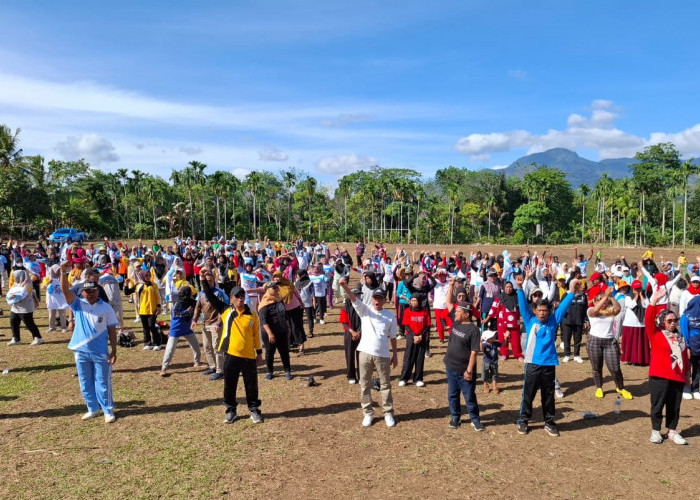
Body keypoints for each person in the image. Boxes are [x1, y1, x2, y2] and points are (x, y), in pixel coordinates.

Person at [515, 269, 575, 437]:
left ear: (549, 311)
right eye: (539, 310)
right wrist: (519, 288)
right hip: (533, 363)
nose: (542, 313)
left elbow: (562, 307)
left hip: (549, 364)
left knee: (548, 396)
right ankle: (523, 421)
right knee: (528, 394)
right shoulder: (529, 320)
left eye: (545, 310)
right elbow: (522, 306)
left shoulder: (553, 321)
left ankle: (549, 422)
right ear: (535, 310)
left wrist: (571, 292)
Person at [59, 260, 118, 423]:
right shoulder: (78, 304)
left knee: (102, 381)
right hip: (80, 350)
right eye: (87, 291)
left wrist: (114, 350)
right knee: (85, 381)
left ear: (98, 291)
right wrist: (63, 273)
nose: (90, 293)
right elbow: (65, 291)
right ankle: (93, 408)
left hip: (100, 351)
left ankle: (108, 410)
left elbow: (112, 330)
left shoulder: (106, 308)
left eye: (93, 291)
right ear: (82, 292)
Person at [201, 278, 264, 424]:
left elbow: (256, 335)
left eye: (242, 296)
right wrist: (203, 281)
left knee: (251, 385)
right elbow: (211, 297)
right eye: (237, 296)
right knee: (229, 385)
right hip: (231, 355)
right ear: (231, 299)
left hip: (248, 356)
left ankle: (254, 410)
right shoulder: (226, 311)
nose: (240, 299)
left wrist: (259, 353)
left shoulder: (252, 314)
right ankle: (231, 411)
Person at [338, 277, 398, 428]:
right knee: (364, 384)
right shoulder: (365, 310)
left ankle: (388, 413)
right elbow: (353, 299)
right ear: (371, 299)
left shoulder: (390, 316)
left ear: (385, 300)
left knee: (385, 385)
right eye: (375, 298)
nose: (377, 301)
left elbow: (392, 337)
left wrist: (395, 355)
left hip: (383, 354)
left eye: (380, 298)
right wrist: (345, 287)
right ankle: (368, 413)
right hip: (364, 353)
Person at [646, 288, 690, 444]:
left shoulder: (679, 337)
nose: (673, 323)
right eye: (669, 321)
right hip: (660, 375)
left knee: (674, 406)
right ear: (662, 321)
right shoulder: (656, 334)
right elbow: (648, 318)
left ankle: (672, 431)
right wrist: (654, 301)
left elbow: (684, 357)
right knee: (657, 404)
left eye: (674, 320)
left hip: (677, 377)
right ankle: (656, 431)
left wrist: (686, 375)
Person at [443, 276, 483, 431]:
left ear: (466, 314)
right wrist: (451, 285)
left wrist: (469, 371)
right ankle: (455, 417)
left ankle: (475, 418)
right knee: (452, 395)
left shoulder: (473, 329)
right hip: (450, 366)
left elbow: (474, 353)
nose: (455, 313)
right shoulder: (455, 322)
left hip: (464, 370)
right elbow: (448, 302)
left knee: (469, 396)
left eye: (458, 311)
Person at [587, 287, 633, 400]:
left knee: (615, 367)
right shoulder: (590, 310)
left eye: (605, 300)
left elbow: (618, 308)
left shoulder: (610, 310)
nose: (603, 301)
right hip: (594, 340)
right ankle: (599, 387)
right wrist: (605, 296)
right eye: (599, 299)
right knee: (596, 366)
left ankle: (620, 387)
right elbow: (594, 311)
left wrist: (610, 296)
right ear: (595, 301)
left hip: (610, 341)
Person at [159, 286, 206, 377]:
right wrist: (187, 312)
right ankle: (164, 368)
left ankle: (197, 362)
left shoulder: (192, 302)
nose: (191, 295)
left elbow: (199, 308)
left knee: (195, 346)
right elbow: (176, 314)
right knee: (170, 349)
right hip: (176, 329)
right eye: (190, 293)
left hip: (187, 328)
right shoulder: (177, 303)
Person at [192, 269, 229, 381]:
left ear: (214, 281)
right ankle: (212, 367)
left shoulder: (219, 293)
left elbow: (223, 310)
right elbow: (198, 307)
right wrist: (194, 319)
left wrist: (219, 323)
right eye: (206, 281)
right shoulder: (201, 294)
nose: (208, 283)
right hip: (205, 324)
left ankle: (220, 370)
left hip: (215, 324)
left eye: (210, 281)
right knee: (207, 347)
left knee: (217, 347)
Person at [258, 282, 293, 380]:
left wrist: (288, 327)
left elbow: (285, 314)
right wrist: (270, 333)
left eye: (277, 287)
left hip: (281, 331)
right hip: (269, 333)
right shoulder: (264, 304)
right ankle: (270, 371)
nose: (276, 289)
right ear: (268, 290)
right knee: (270, 352)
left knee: (284, 352)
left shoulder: (279, 300)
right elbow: (263, 321)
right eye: (274, 288)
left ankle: (287, 370)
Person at [398, 293, 431, 387]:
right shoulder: (407, 311)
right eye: (412, 300)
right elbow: (406, 325)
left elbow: (428, 325)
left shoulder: (424, 311)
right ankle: (404, 378)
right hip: (410, 337)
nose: (413, 302)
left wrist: (421, 335)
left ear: (419, 301)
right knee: (408, 358)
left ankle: (418, 379)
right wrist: (414, 336)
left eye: (415, 300)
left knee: (420, 358)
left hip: (422, 337)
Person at [125, 270, 162, 351]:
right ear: (142, 276)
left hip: (152, 310)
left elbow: (158, 297)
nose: (148, 277)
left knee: (152, 326)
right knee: (145, 328)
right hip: (142, 310)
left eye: (149, 275)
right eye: (146, 275)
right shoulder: (138, 286)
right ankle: (148, 343)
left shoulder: (154, 285)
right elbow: (127, 292)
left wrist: (159, 307)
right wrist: (126, 284)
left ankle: (157, 343)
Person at [485, 281, 522, 361]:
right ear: (504, 288)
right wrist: (486, 319)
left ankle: (518, 354)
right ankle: (504, 354)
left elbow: (522, 309)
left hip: (514, 322)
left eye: (510, 287)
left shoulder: (517, 297)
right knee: (502, 339)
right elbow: (493, 309)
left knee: (516, 340)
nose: (508, 289)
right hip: (502, 323)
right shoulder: (499, 298)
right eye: (507, 287)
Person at [6, 270, 43, 346]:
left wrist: (14, 296)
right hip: (15, 307)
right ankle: (16, 338)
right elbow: (11, 292)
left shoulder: (28, 283)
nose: (14, 278)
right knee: (13, 322)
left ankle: (38, 337)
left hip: (25, 307)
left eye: (16, 276)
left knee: (29, 323)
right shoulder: (15, 284)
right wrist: (10, 296)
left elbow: (23, 294)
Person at [620, 280, 649, 366]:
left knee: (640, 344)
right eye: (636, 289)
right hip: (630, 323)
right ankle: (631, 359)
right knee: (631, 343)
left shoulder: (644, 296)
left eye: (639, 288)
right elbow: (632, 305)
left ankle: (641, 359)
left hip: (641, 323)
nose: (638, 290)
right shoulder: (628, 297)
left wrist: (641, 296)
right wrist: (636, 296)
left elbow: (647, 305)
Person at [560, 278, 587, 363]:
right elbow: (562, 307)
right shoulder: (566, 294)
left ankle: (576, 355)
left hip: (578, 320)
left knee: (578, 338)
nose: (576, 286)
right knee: (566, 338)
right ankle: (567, 354)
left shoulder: (583, 295)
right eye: (575, 284)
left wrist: (586, 320)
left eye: (578, 284)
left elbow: (586, 308)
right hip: (567, 320)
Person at [339, 287, 362, 384]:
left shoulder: (362, 307)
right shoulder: (345, 307)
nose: (356, 297)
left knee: (361, 356)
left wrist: (360, 332)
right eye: (354, 295)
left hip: (362, 333)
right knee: (349, 355)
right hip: (350, 333)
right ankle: (351, 376)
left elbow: (365, 320)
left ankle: (362, 376)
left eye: (358, 295)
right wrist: (352, 332)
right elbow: (344, 322)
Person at [679, 295, 700, 400]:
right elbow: (684, 332)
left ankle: (695, 388)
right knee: (687, 367)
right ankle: (686, 387)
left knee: (698, 367)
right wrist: (687, 347)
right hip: (690, 345)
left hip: (699, 345)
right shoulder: (686, 316)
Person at [481, 322, 501, 394]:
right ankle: (485, 385)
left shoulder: (495, 343)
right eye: (492, 336)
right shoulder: (485, 345)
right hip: (486, 362)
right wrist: (480, 342)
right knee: (485, 374)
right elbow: (482, 349)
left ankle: (494, 386)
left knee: (494, 374)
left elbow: (503, 344)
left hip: (494, 362)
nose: (494, 337)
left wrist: (505, 337)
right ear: (488, 339)